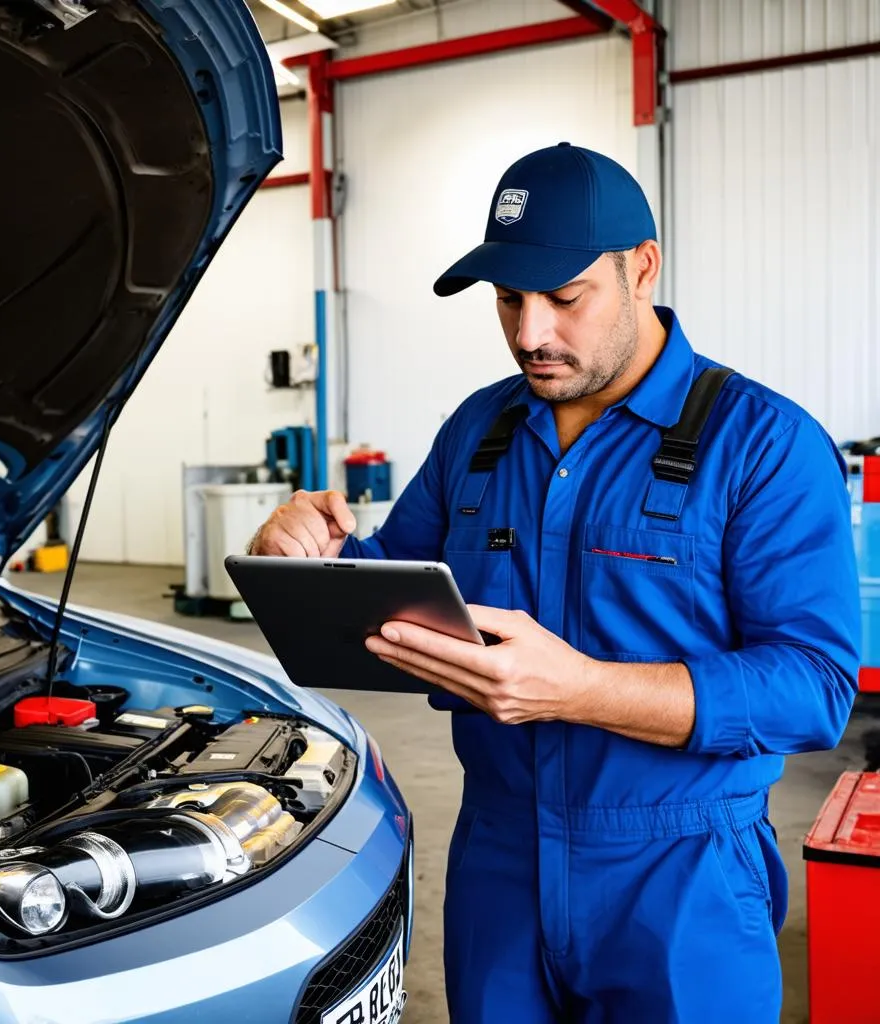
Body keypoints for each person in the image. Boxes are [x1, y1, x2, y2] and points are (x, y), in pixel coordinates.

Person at [247, 142, 860, 1022]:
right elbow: (393, 587)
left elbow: (814, 688)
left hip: (681, 872)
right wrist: (306, 556)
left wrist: (579, 691)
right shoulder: (480, 431)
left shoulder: (762, 445)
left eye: (566, 298)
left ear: (642, 268)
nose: (530, 332)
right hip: (499, 860)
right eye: (508, 299)